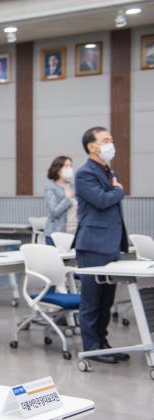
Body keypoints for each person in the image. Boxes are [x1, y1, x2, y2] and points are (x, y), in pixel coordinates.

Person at [73, 126, 129, 364]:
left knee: (107, 300)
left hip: (110, 244)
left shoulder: (108, 170)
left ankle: (102, 343)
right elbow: (102, 200)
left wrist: (114, 188)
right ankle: (92, 347)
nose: (110, 144)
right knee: (92, 301)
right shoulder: (84, 173)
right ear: (91, 147)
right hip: (93, 244)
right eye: (105, 140)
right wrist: (118, 190)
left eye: (111, 139)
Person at [43, 156, 77, 244]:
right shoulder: (51, 187)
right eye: (66, 166)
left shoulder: (73, 187)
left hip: (74, 234)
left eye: (70, 166)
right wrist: (67, 198)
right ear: (58, 168)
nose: (69, 168)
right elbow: (54, 212)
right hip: (56, 235)